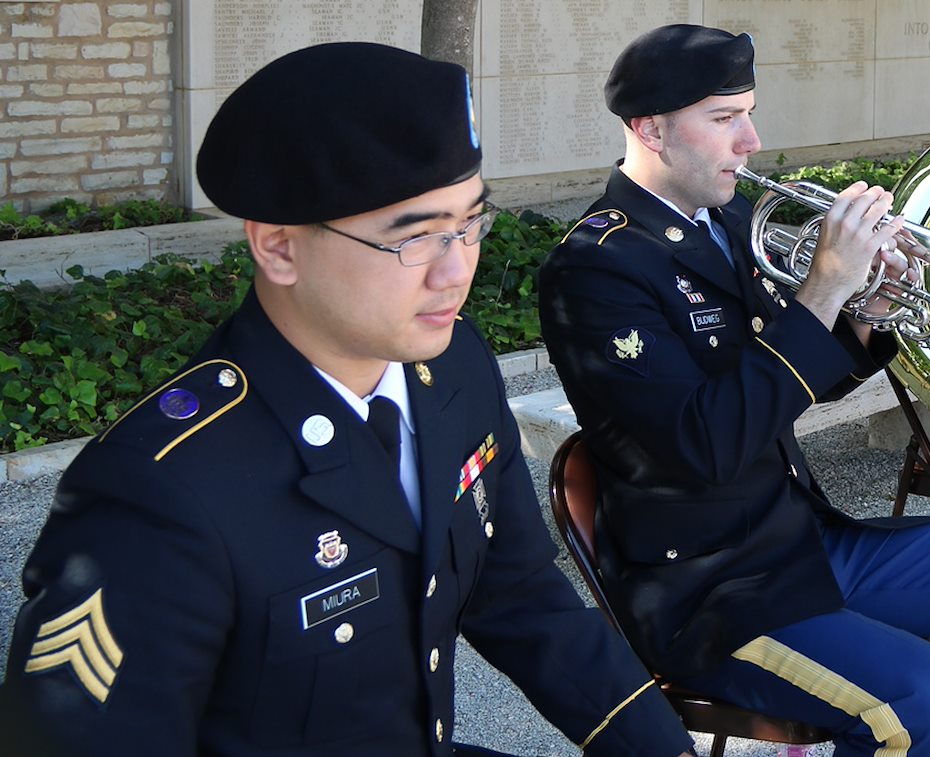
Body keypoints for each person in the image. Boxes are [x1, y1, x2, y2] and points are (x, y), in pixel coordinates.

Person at [0, 42, 694, 757]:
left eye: (469, 224)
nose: (456, 271)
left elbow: (517, 592)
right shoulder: (160, 490)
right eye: (415, 237)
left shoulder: (454, 367)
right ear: (278, 248)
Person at [536, 24, 930, 757]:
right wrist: (823, 289)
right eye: (724, 117)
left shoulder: (729, 221)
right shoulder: (596, 268)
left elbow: (791, 381)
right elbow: (701, 444)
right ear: (649, 128)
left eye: (749, 111)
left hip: (802, 538)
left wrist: (866, 316)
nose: (751, 140)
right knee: (923, 695)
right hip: (712, 590)